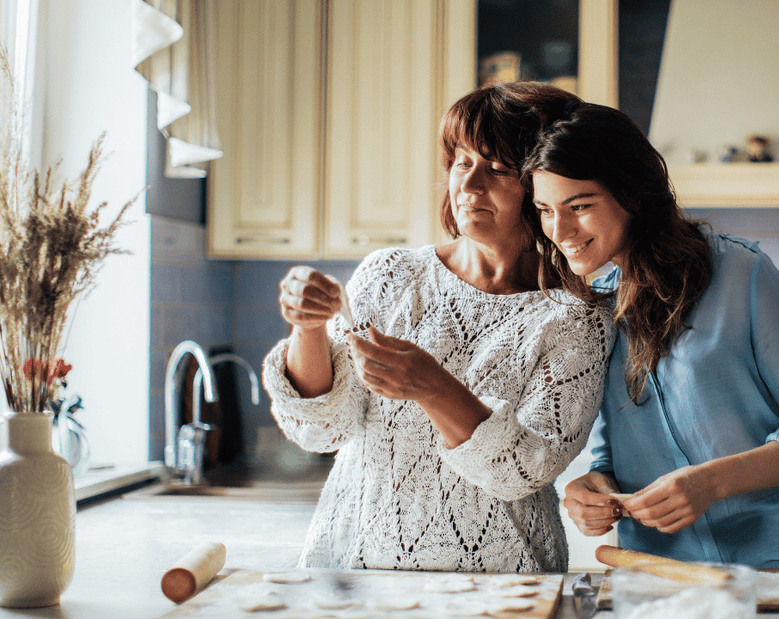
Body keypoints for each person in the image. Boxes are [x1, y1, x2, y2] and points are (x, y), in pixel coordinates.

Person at [262, 83, 614, 573]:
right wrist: (308, 328)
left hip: (503, 581)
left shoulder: (576, 316)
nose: (468, 186)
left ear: (543, 185)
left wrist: (432, 387)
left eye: (496, 169)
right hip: (356, 568)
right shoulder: (390, 275)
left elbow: (524, 469)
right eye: (460, 162)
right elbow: (322, 428)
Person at [523, 102, 779, 568]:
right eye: (544, 210)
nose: (560, 230)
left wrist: (709, 484)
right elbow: (612, 449)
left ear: (632, 193)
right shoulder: (593, 306)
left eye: (580, 206)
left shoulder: (743, 274)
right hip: (663, 573)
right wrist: (594, 486)